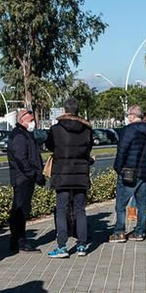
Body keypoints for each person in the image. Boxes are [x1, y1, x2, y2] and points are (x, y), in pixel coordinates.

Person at [45, 98, 94, 257]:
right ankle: (81, 245)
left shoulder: (56, 129)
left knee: (61, 209)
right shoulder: (87, 129)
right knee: (80, 209)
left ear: (64, 110)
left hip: (62, 174)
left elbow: (49, 146)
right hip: (81, 174)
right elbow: (88, 149)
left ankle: (62, 246)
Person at [109, 105, 146, 242]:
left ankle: (119, 231)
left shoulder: (128, 130)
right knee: (142, 203)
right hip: (144, 173)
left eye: (128, 115)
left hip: (129, 173)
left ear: (132, 115)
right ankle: (139, 232)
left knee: (121, 204)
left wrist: (118, 168)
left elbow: (122, 150)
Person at [6, 109, 43, 253]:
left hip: (25, 178)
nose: (33, 122)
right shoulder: (19, 136)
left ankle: (17, 240)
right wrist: (33, 174)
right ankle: (19, 241)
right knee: (19, 212)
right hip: (22, 179)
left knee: (21, 211)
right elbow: (21, 159)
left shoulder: (25, 134)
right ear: (22, 120)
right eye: (30, 120)